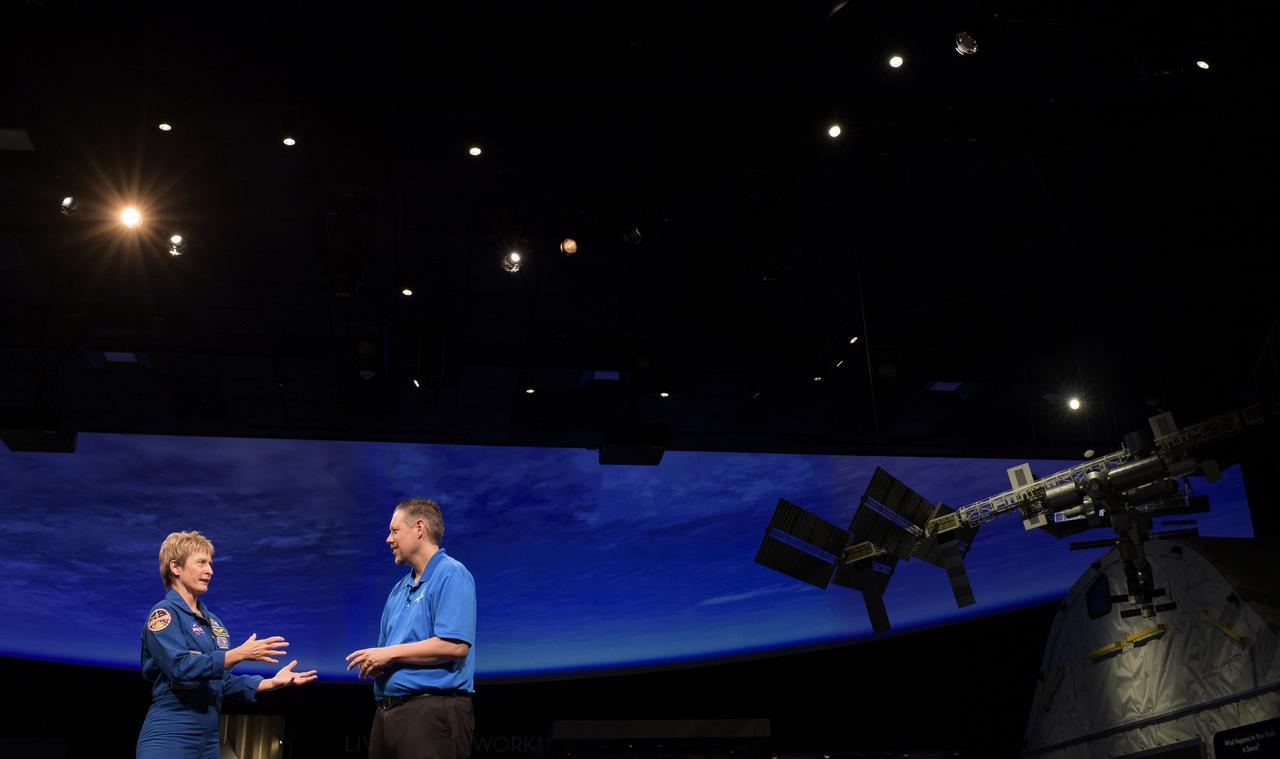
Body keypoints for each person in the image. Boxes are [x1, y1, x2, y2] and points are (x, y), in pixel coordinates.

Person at [136, 531, 317, 759]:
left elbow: (220, 683)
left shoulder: (214, 623)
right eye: (201, 562)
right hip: (171, 733)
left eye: (210, 563)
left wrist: (271, 683)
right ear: (175, 567)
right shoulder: (164, 614)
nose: (210, 570)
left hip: (209, 739)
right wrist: (238, 654)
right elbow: (179, 667)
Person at [346, 497, 477, 759]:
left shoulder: (451, 573)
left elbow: (454, 646)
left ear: (419, 528)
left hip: (431, 713)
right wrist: (375, 662)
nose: (388, 539)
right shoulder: (397, 590)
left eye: (394, 531)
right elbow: (385, 651)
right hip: (387, 715)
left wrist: (389, 654)